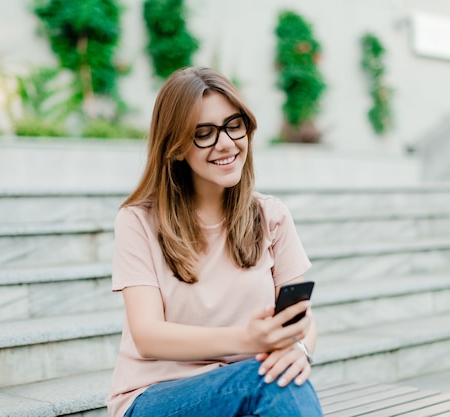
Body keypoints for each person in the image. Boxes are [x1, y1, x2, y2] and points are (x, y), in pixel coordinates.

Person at [107, 66, 323, 417]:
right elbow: (147, 336)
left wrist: (299, 350)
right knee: (268, 381)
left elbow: (301, 319)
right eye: (203, 133)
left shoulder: (271, 216)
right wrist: (248, 340)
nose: (226, 143)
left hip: (248, 388)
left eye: (233, 125)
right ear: (175, 147)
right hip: (156, 397)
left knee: (280, 378)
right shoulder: (138, 221)